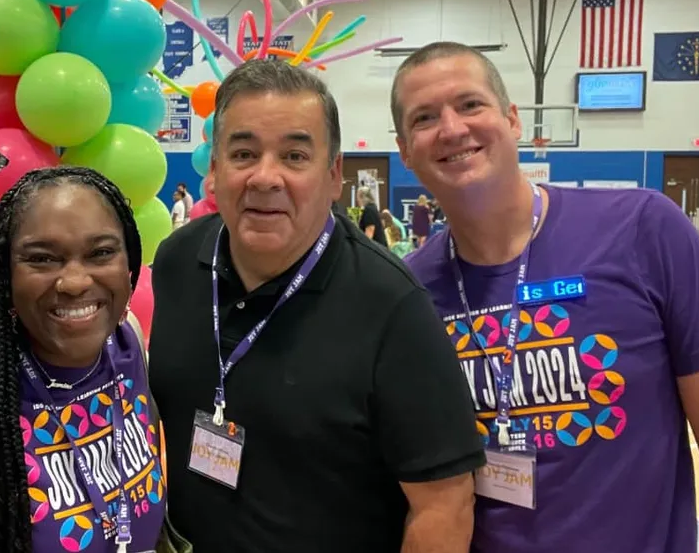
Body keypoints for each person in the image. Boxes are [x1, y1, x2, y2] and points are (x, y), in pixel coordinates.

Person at [393, 42, 699, 552]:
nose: (452, 128)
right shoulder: (407, 289)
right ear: (404, 150)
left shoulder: (643, 229)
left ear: (512, 120)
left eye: (470, 104)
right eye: (424, 118)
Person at [148, 59, 484, 552]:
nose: (265, 177)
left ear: (333, 176)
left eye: (294, 157)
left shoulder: (391, 305)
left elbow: (444, 506)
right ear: (214, 171)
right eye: (243, 153)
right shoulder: (178, 263)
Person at [0, 166, 173, 553]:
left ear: (129, 263)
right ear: (6, 275)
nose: (75, 281)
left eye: (101, 253)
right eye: (43, 259)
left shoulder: (124, 347)